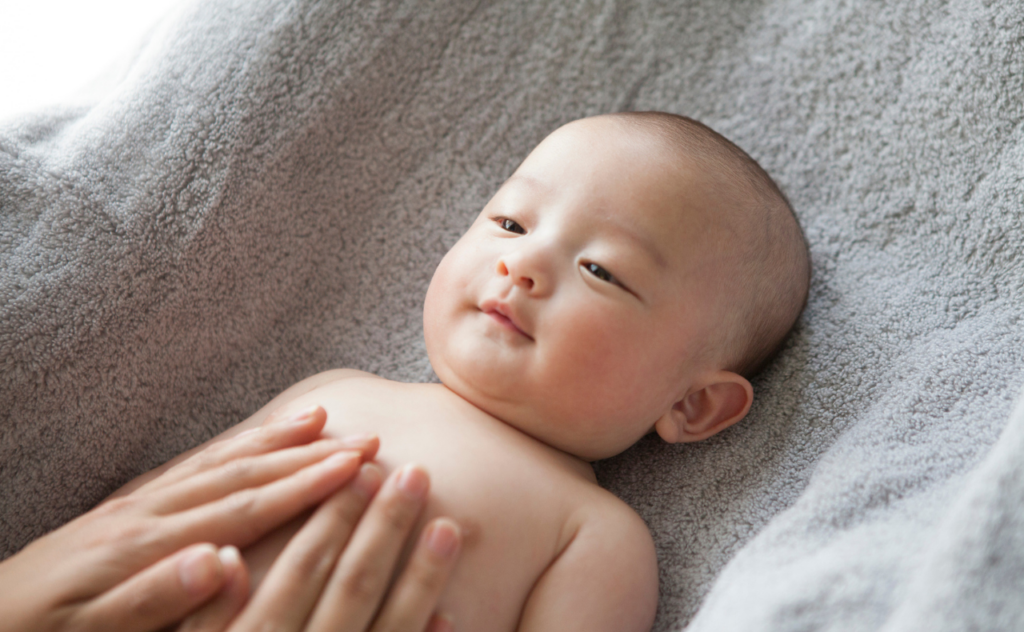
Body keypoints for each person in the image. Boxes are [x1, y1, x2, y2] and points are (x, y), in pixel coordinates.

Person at [133, 110, 810, 631]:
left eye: (601, 270)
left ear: (693, 405)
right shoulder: (333, 391)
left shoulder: (592, 536)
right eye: (512, 223)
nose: (522, 264)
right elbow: (145, 510)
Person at [0, 407, 462, 632]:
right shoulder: (341, 383)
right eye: (508, 226)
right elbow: (162, 494)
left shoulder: (539, 500)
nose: (519, 267)